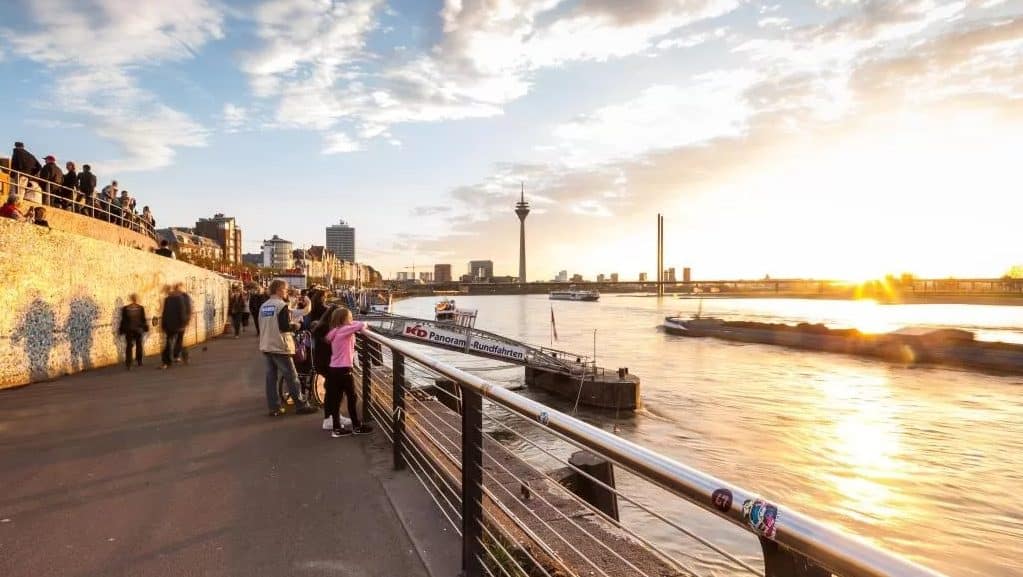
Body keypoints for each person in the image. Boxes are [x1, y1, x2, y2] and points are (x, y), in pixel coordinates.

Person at [259, 279, 317, 417]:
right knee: (292, 376)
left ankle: (274, 408)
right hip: (280, 345)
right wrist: (295, 326)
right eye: (285, 289)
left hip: (266, 345)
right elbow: (285, 326)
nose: (286, 292)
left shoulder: (264, 306)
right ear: (279, 290)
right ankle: (301, 405)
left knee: (271, 378)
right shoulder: (281, 306)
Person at [324, 307, 373, 436]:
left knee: (336, 398)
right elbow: (363, 324)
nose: (352, 320)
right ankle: (356, 426)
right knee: (352, 397)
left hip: (334, 368)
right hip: (344, 369)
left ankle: (337, 428)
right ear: (344, 319)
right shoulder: (345, 330)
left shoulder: (334, 331)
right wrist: (356, 324)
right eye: (350, 317)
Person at [159, 283, 191, 369]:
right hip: (176, 324)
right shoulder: (179, 298)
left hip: (175, 324)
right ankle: (177, 357)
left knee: (173, 342)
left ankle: (169, 360)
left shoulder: (177, 298)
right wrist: (184, 322)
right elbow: (184, 311)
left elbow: (182, 311)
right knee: (176, 341)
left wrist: (163, 324)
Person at [118, 294, 148, 370]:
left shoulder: (126, 309)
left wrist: (121, 330)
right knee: (139, 345)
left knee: (129, 347)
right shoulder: (140, 308)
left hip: (129, 330)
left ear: (130, 299)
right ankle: (139, 360)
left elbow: (123, 321)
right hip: (138, 330)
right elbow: (143, 319)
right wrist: (145, 328)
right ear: (136, 299)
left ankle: (129, 363)